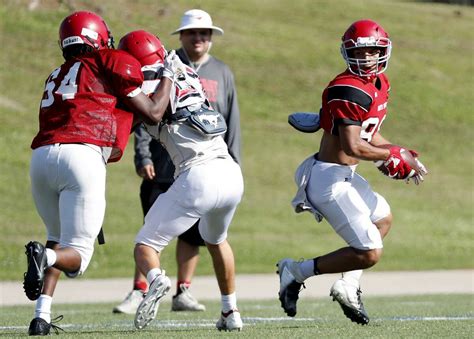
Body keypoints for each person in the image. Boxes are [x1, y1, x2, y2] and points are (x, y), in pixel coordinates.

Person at [24, 11, 179, 336]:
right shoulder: (109, 60)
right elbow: (153, 112)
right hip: (82, 156)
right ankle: (45, 255)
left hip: (41, 158)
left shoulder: (58, 73)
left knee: (57, 236)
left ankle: (41, 316)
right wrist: (168, 75)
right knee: (76, 258)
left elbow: (107, 109)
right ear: (98, 39)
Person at [276, 19, 428, 325]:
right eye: (362, 52)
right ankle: (296, 270)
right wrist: (392, 155)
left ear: (383, 51)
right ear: (347, 53)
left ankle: (345, 283)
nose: (368, 58)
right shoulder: (347, 88)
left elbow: (370, 134)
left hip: (345, 175)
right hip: (328, 180)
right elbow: (355, 146)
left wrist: (404, 155)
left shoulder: (380, 84)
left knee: (382, 219)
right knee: (370, 252)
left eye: (373, 50)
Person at [112, 8, 241, 315]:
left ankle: (154, 280)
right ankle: (230, 312)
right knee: (217, 241)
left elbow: (148, 114)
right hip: (231, 173)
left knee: (145, 245)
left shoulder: (150, 81)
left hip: (198, 175)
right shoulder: (190, 73)